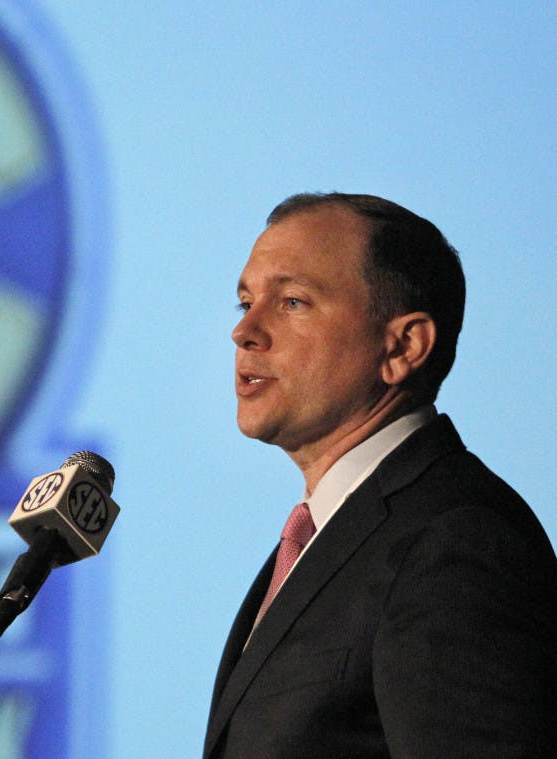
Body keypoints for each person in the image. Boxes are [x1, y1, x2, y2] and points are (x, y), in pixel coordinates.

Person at [203, 193, 557, 758]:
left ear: (403, 346)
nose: (244, 330)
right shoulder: (326, 536)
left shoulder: (455, 542)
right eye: (246, 301)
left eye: (292, 302)